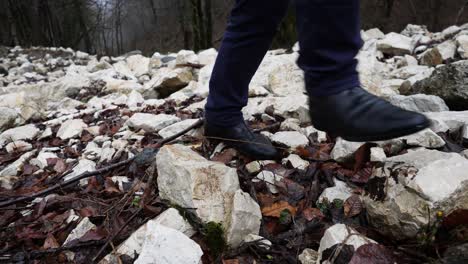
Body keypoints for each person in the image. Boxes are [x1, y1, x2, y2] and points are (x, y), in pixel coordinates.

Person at [204, 0, 430, 160]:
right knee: (257, 9)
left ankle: (221, 112)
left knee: (259, 8)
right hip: (332, 82)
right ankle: (333, 86)